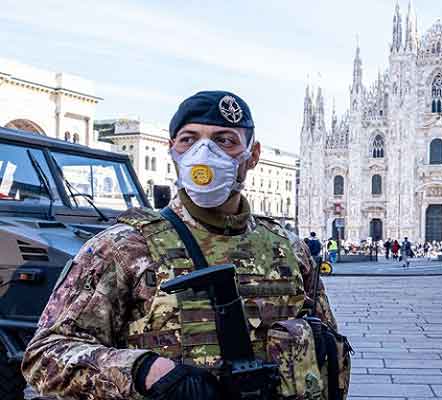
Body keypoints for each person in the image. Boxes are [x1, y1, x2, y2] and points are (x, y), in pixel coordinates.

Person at [21, 91, 349, 399]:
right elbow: (44, 356)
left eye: (225, 141)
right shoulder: (123, 248)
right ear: (173, 150)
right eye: (189, 140)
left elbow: (327, 347)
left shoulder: (290, 251)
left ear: (253, 155)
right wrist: (142, 372)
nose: (205, 154)